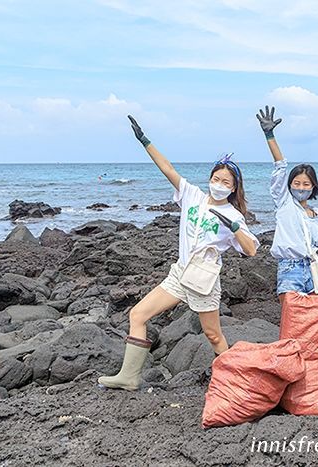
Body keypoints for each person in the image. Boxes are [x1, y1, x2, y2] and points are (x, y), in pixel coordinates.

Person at [98, 115, 260, 391]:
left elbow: (252, 250)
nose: (219, 184)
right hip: (179, 274)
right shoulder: (192, 196)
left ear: (234, 188)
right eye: (216, 178)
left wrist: (234, 228)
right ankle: (128, 377)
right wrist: (145, 141)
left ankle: (237, 384)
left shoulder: (234, 214)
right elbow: (167, 168)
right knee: (137, 315)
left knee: (213, 335)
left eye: (226, 182)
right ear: (210, 179)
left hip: (203, 281)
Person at [257, 106, 318, 300]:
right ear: (289, 185)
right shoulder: (284, 202)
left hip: (314, 269)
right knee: (292, 316)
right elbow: (280, 167)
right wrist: (269, 135)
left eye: (306, 184)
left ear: (313, 187)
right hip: (290, 268)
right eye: (297, 183)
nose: (301, 187)